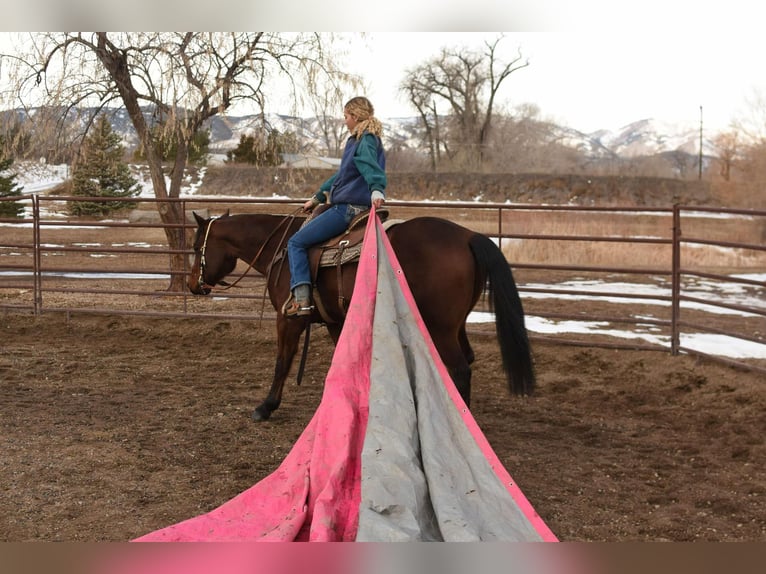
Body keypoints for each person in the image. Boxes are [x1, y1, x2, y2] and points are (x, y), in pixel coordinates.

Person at [283, 96, 387, 318]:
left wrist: (377, 188)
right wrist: (319, 196)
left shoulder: (364, 139)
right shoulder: (360, 139)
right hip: (351, 204)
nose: (344, 121)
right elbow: (343, 175)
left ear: (355, 116)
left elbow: (370, 167)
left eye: (346, 116)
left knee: (296, 242)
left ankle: (301, 298)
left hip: (348, 208)